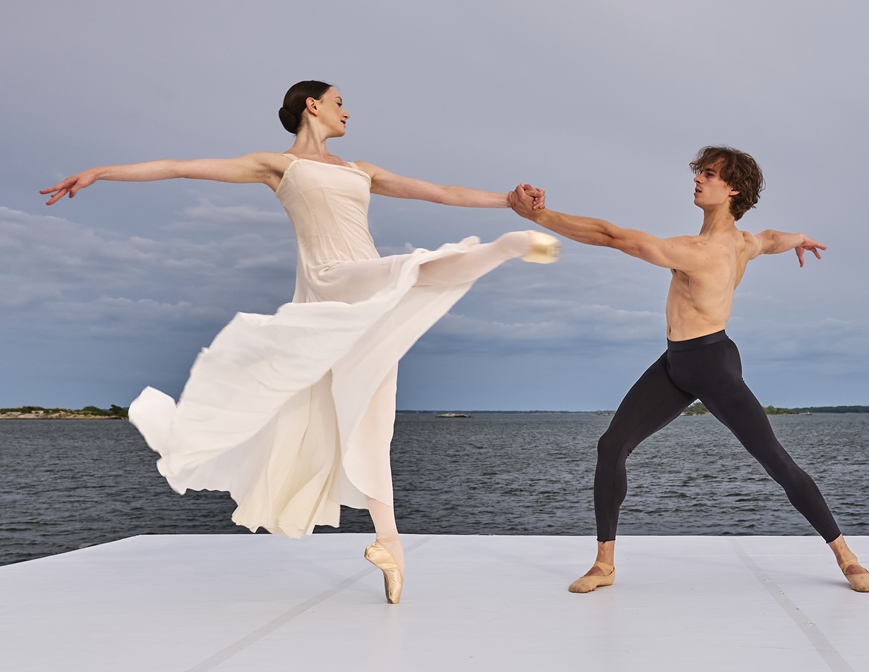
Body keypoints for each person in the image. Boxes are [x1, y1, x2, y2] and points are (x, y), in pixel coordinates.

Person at [41, 80, 559, 604]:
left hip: (366, 307)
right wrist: (101, 172)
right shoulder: (278, 166)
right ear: (313, 106)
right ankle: (513, 246)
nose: (347, 113)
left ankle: (388, 543)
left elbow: (442, 193)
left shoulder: (362, 171)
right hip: (333, 280)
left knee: (374, 423)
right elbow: (181, 165)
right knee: (407, 270)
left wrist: (506, 200)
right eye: (339, 103)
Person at [508, 146, 869, 594]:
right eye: (699, 172)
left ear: (732, 189)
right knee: (612, 446)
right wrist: (800, 238)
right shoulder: (744, 243)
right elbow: (771, 238)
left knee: (774, 458)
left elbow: (611, 236)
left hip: (712, 363)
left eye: (709, 174)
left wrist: (539, 217)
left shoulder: (700, 250)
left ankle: (847, 557)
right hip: (675, 363)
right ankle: (603, 564)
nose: (697, 180)